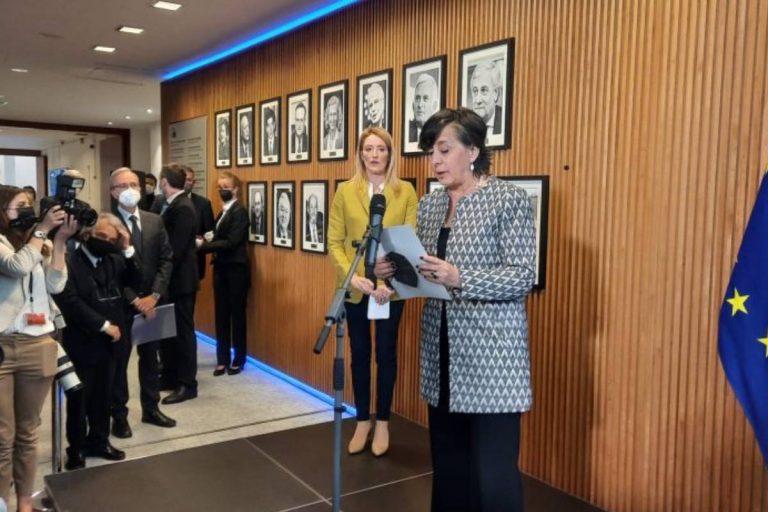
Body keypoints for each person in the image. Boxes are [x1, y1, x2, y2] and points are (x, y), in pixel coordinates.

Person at [379, 107, 535, 511]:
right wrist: (392, 274)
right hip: (442, 355)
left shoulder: (509, 200)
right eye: (431, 151)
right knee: (448, 467)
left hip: (492, 362)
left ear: (473, 150)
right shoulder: (431, 205)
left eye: (445, 150)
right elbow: (424, 274)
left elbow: (521, 277)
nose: (435, 160)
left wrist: (460, 276)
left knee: (493, 474)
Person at [327, 127, 418, 457]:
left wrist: (386, 284)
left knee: (386, 354)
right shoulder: (345, 192)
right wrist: (354, 278)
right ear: (360, 153)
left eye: (381, 148)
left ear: (390, 154)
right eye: (369, 148)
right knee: (361, 354)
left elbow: (409, 241)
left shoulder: (405, 191)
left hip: (388, 291)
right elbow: (334, 243)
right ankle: (362, 418)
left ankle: (383, 421)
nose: (375, 154)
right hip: (355, 288)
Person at [0, 186, 77, 512]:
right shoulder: (11, 244)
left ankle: (23, 502)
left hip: (38, 343)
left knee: (28, 434)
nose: (29, 212)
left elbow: (55, 284)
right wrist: (42, 230)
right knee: (3, 438)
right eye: (21, 206)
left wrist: (58, 242)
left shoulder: (38, 241)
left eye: (31, 206)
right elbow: (16, 266)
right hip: (3, 346)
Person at [53, 213, 142, 471]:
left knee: (104, 394)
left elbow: (136, 282)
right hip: (83, 339)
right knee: (80, 396)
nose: (104, 241)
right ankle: (77, 448)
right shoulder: (69, 260)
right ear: (87, 234)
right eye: (101, 236)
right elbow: (68, 300)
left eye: (110, 239)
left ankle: (99, 441)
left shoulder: (114, 259)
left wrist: (127, 250)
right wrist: (102, 325)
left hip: (113, 341)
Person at [108, 168, 176, 439]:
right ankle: (119, 416)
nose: (130, 189)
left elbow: (166, 260)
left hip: (153, 304)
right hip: (121, 306)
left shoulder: (154, 221)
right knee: (119, 363)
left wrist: (154, 296)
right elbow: (108, 270)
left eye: (134, 184)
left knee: (150, 359)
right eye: (123, 185)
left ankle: (151, 409)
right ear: (113, 192)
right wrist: (135, 299)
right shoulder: (106, 224)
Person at [197, 171, 250, 376]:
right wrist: (207, 239)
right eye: (220, 187)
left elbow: (232, 242)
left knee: (237, 315)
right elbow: (218, 237)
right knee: (221, 315)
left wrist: (203, 246)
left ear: (235, 189)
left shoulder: (240, 212)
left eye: (226, 187)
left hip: (236, 270)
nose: (222, 190)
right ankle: (222, 359)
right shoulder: (222, 212)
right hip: (220, 269)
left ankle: (238, 358)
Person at [157, 164, 199, 404]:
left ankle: (187, 384)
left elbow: (176, 248)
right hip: (172, 281)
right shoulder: (175, 204)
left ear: (164, 182)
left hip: (181, 281)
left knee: (183, 333)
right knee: (169, 332)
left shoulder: (182, 207)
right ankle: (170, 376)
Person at [182, 167, 215, 281]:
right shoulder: (164, 201)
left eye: (190, 180)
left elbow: (209, 234)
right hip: (171, 263)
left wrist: (201, 242)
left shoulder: (203, 204)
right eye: (184, 179)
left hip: (194, 261)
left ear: (194, 182)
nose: (186, 182)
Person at [469, 60, 503, 135]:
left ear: (496, 94)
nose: (478, 100)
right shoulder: (466, 124)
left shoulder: (505, 120)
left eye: (484, 90)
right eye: (475, 91)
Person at [409, 73, 439, 143]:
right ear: (413, 105)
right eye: (417, 98)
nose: (420, 105)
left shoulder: (440, 133)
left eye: (425, 99)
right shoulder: (406, 131)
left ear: (434, 105)